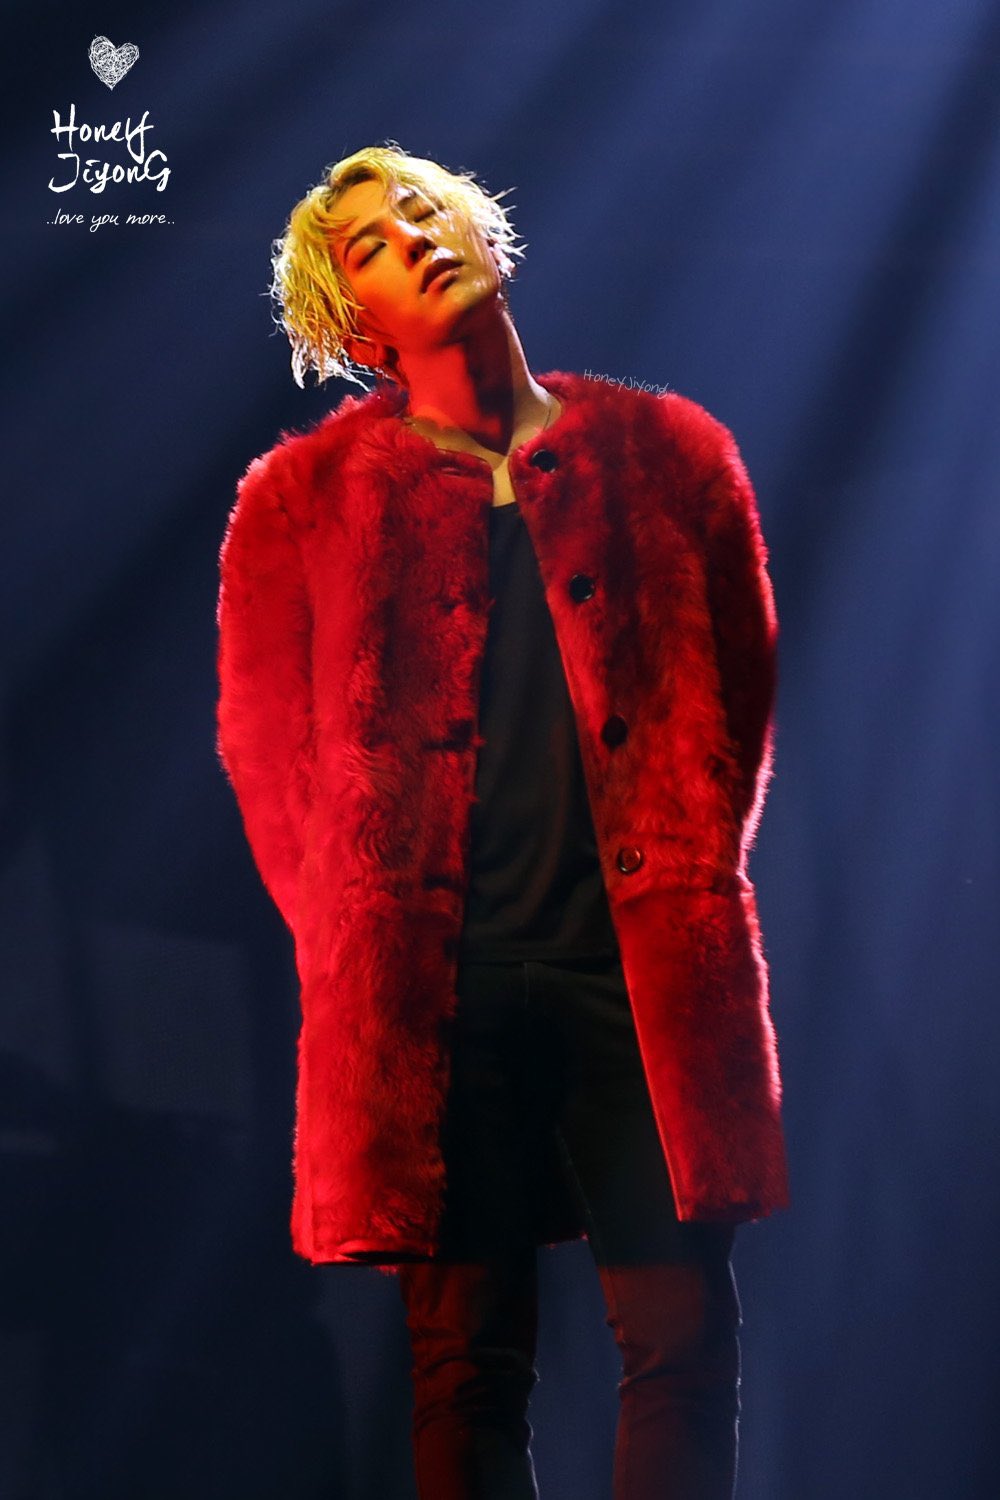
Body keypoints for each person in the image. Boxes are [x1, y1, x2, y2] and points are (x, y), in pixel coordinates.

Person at [215, 141, 789, 1500]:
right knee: (464, 1366)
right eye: (371, 244)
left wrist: (683, 872)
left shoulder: (669, 454)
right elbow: (266, 755)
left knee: (682, 1340)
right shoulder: (300, 505)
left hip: (634, 973)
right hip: (437, 996)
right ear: (353, 321)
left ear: (481, 228)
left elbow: (741, 690)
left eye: (425, 209)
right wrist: (362, 934)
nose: (414, 237)